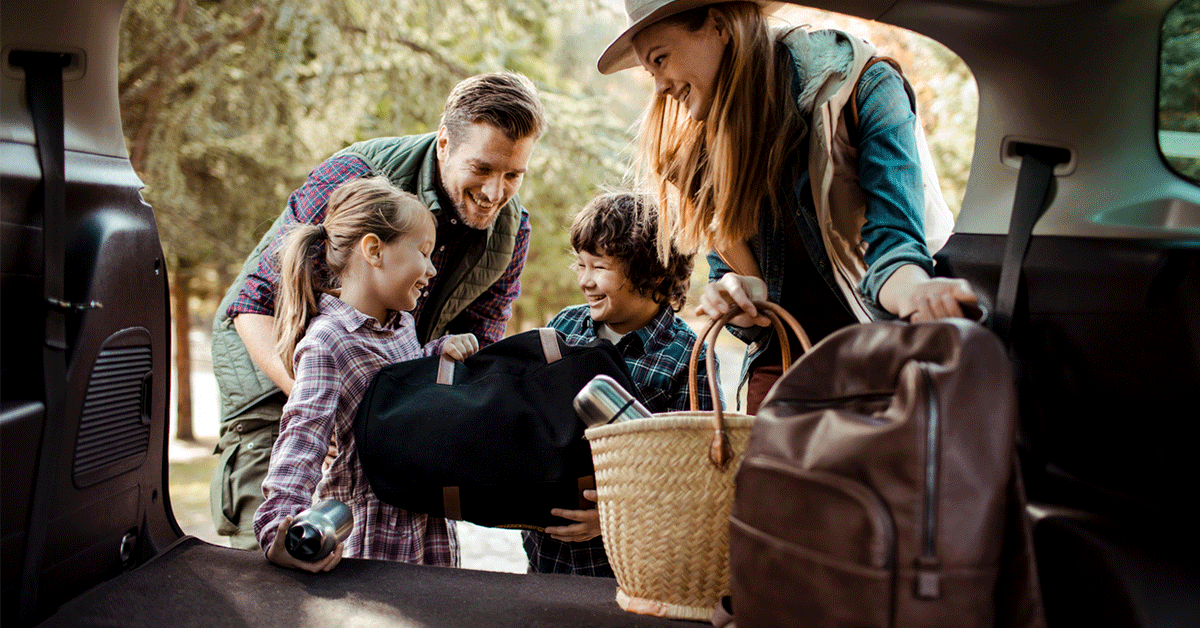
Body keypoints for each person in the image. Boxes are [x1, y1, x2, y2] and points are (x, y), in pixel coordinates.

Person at [210, 72, 546, 549]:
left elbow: (476, 352)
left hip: (382, 401)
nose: (495, 192)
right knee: (274, 561)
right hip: (278, 379)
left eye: (513, 175)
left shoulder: (511, 233)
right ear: (445, 143)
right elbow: (252, 303)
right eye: (483, 169)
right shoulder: (356, 173)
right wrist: (327, 410)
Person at [598, 0, 980, 412]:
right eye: (650, 72)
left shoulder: (863, 85)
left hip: (877, 364)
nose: (660, 88)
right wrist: (737, 295)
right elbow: (741, 284)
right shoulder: (700, 157)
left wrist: (918, 292)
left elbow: (895, 246)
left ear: (719, 25)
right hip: (782, 378)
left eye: (661, 59)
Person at [253, 177, 480, 572]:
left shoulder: (401, 326)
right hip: (372, 536)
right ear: (374, 250)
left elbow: (398, 390)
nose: (431, 269)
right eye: (424, 252)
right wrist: (279, 530)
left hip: (424, 527)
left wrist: (435, 354)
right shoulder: (328, 341)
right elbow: (302, 439)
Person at [522, 191, 721, 578]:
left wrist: (611, 518)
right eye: (580, 264)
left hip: (624, 566)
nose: (585, 281)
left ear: (654, 272)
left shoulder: (689, 357)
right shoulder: (564, 327)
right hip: (544, 559)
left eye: (599, 267)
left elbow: (694, 476)